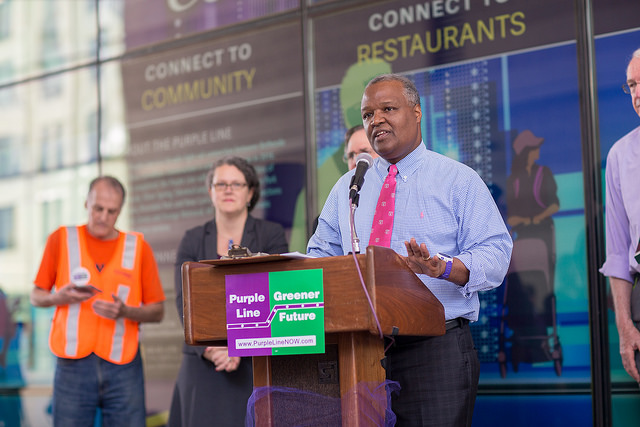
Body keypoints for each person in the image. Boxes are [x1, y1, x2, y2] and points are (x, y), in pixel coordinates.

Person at [308, 73, 512, 426]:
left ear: (416, 113)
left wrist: (444, 268)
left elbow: (496, 254)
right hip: (362, 349)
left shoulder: (457, 179)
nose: (377, 120)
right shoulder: (348, 188)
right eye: (368, 114)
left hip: (435, 348)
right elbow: (318, 257)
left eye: (388, 108)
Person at [31, 176, 165, 426]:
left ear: (120, 211)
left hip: (123, 364)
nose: (103, 216)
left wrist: (125, 311)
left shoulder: (138, 247)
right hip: (72, 363)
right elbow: (36, 296)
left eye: (111, 211)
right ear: (86, 203)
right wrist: (57, 297)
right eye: (98, 208)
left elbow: (157, 311)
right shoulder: (61, 240)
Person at [168, 156, 289, 427]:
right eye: (220, 183)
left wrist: (238, 346)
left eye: (236, 183)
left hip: (255, 360)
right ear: (210, 192)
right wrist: (212, 348)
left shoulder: (271, 234)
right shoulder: (192, 238)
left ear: (250, 192)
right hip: (203, 360)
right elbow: (183, 300)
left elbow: (276, 294)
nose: (228, 189)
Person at [600, 47, 640, 384]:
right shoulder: (620, 155)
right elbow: (618, 252)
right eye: (632, 85)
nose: (637, 94)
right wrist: (625, 327)